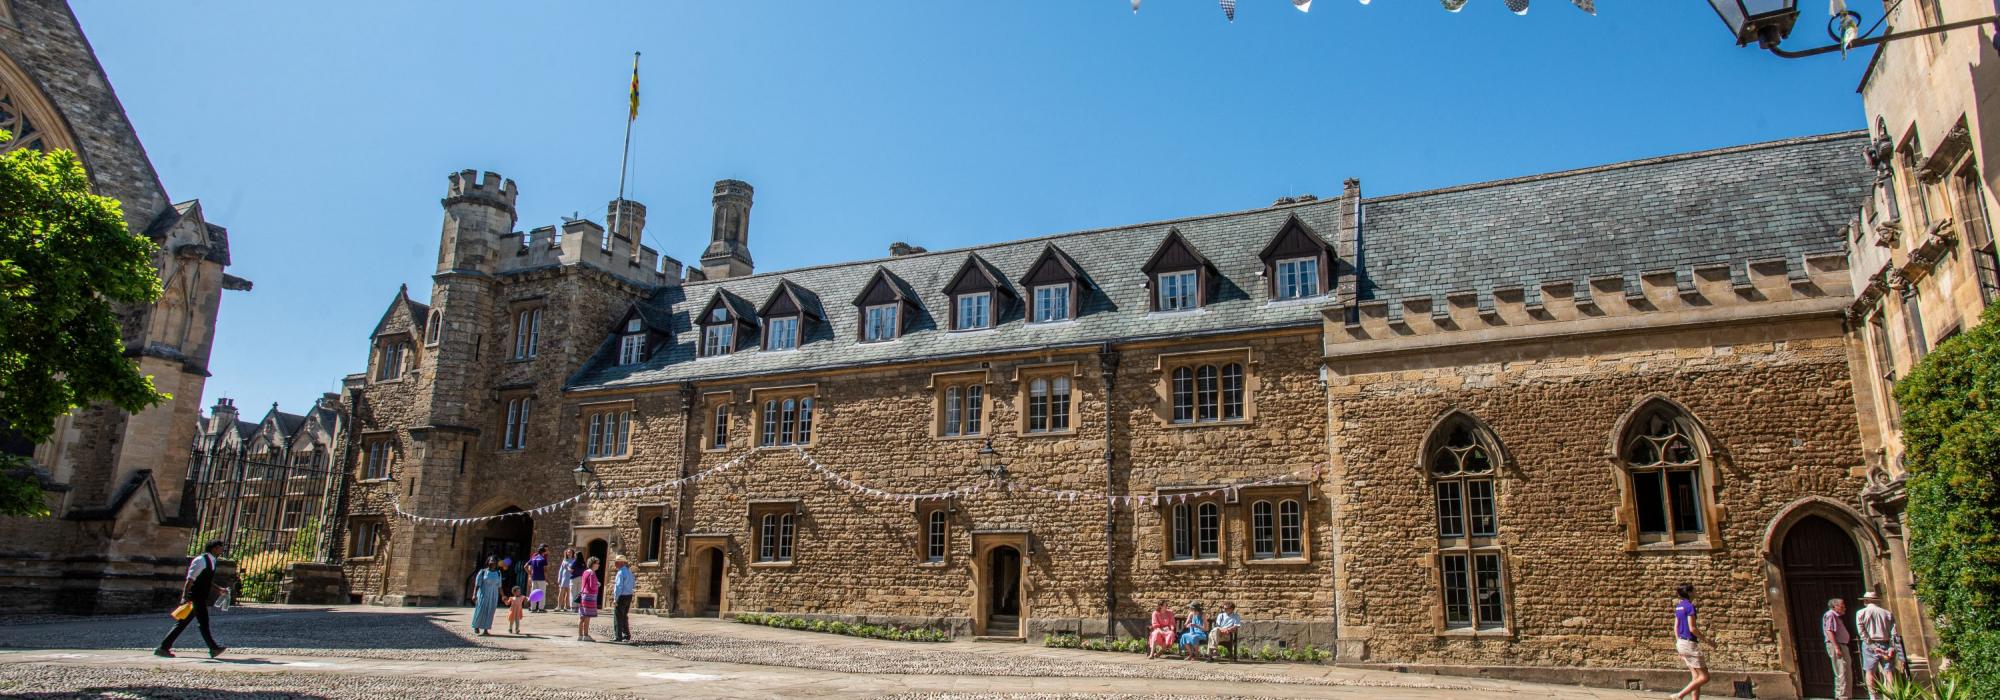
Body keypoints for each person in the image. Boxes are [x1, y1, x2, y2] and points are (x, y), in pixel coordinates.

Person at [155, 540, 228, 658]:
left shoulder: (212, 561)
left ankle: (163, 647)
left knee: (183, 623)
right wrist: (185, 596)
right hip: (195, 597)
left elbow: (206, 580)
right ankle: (213, 648)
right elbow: (190, 579)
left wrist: (218, 589)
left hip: (200, 597)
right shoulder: (201, 560)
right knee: (202, 623)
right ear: (214, 548)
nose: (222, 550)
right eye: (220, 547)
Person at [1855, 592, 1902, 700]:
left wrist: (1871, 645)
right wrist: (1891, 647)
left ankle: (1873, 697)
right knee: (1888, 671)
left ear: (1866, 601)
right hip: (1885, 643)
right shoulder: (1887, 613)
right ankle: (1891, 696)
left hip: (1870, 644)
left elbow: (1861, 631)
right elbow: (1894, 632)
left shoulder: (1861, 613)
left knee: (1870, 671)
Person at [1671, 583, 1708, 700]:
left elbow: (1675, 627)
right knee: (1704, 677)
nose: (1696, 592)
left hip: (1681, 643)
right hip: (1689, 643)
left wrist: (1678, 643)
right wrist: (1707, 640)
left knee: (1695, 676)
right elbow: (1692, 628)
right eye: (1694, 590)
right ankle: (1679, 695)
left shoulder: (1679, 607)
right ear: (1689, 592)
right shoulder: (1689, 606)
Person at [1824, 597, 1854, 700]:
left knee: (1845, 670)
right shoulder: (1830, 615)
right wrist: (1836, 647)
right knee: (1842, 671)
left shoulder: (1835, 616)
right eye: (1842, 605)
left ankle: (1845, 695)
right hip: (1838, 645)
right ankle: (1842, 696)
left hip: (1841, 645)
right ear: (1835, 606)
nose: (1844, 607)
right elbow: (1829, 631)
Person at [471, 556, 502, 636]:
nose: (493, 563)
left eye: (494, 561)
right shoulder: (483, 572)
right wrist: (474, 594)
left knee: (490, 611)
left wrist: (503, 596)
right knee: (481, 609)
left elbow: (499, 586)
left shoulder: (498, 573)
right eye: (491, 561)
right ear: (488, 562)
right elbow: (477, 584)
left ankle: (486, 629)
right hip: (483, 593)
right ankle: (476, 626)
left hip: (493, 594)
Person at [611, 556, 637, 642]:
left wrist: (615, 598)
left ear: (621, 562)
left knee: (618, 617)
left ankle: (618, 636)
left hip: (621, 596)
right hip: (628, 595)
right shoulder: (629, 572)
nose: (615, 563)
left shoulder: (620, 572)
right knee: (624, 616)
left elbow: (618, 586)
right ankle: (626, 635)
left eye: (617, 562)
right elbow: (633, 584)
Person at [576, 556, 601, 641]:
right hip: (590, 596)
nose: (598, 565)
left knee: (582, 616)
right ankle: (586, 635)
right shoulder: (592, 573)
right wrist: (598, 584)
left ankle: (580, 635)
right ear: (593, 564)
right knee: (587, 617)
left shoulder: (585, 572)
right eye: (597, 563)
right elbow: (592, 586)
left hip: (583, 596)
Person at [527, 545, 550, 613]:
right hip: (541, 578)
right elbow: (545, 570)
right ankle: (541, 608)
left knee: (534, 593)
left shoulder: (533, 558)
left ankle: (533, 608)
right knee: (542, 593)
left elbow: (525, 566)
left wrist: (530, 574)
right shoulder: (543, 559)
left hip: (534, 578)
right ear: (543, 552)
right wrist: (546, 579)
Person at [556, 548, 576, 613]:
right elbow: (561, 570)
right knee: (561, 592)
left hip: (571, 578)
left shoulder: (574, 561)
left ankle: (566, 606)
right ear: (566, 553)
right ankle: (558, 606)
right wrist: (559, 578)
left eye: (570, 552)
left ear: (573, 553)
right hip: (564, 578)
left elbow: (574, 570)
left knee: (568, 593)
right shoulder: (564, 560)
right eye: (568, 552)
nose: (569, 553)